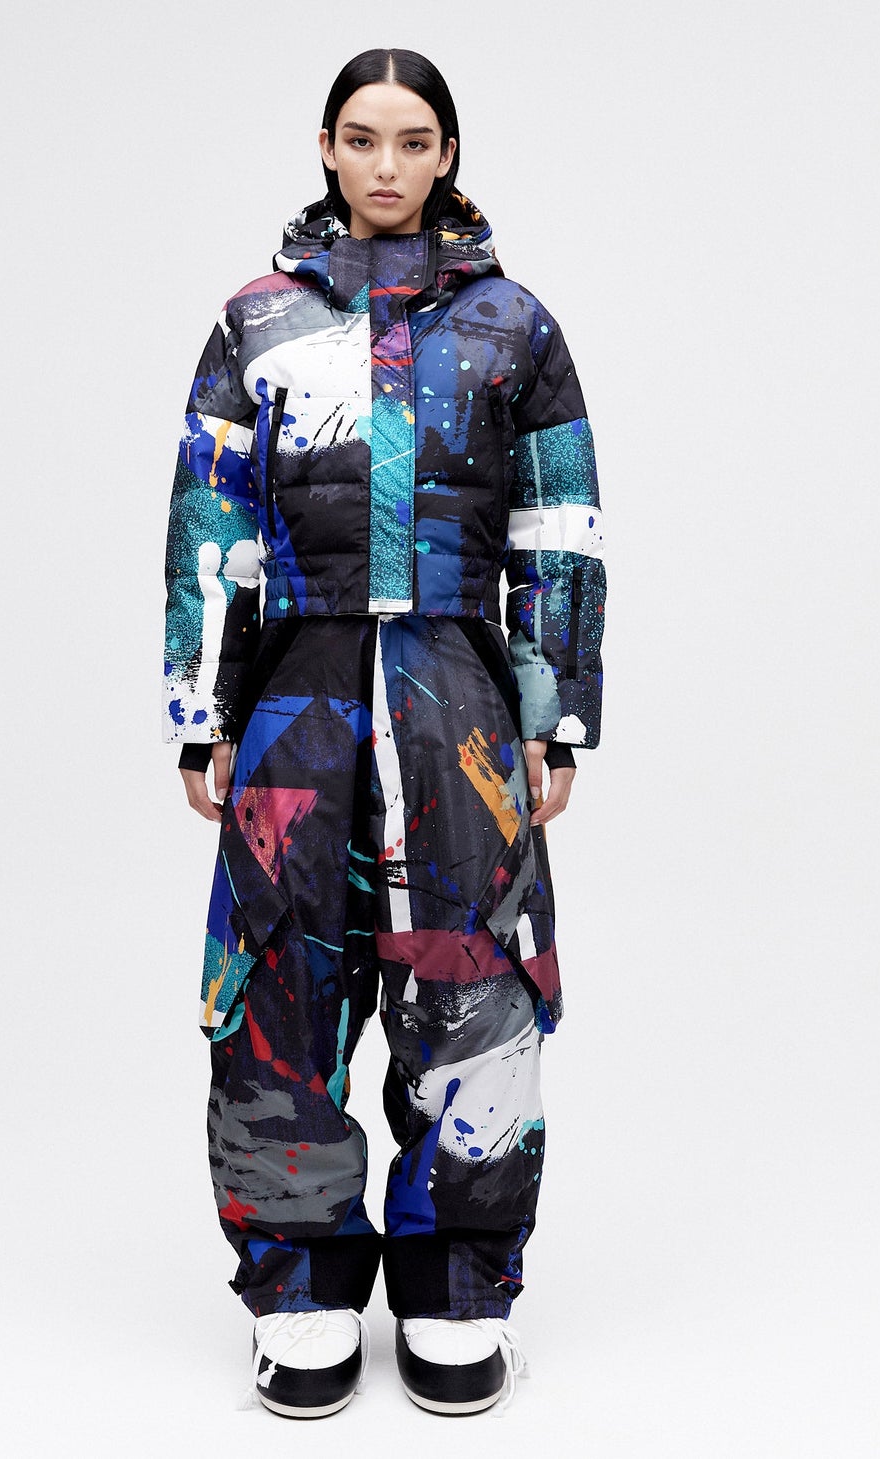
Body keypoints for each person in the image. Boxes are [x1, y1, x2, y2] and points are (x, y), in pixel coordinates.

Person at [159, 47, 605, 1419]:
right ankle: (295, 1286)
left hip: (457, 689)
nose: (388, 166)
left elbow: (558, 531)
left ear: (447, 154)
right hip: (296, 691)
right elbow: (211, 521)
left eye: (414, 141)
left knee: (474, 978)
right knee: (281, 976)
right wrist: (202, 713)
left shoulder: (515, 326)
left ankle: (458, 1285)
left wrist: (554, 720)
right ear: (326, 147)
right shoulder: (256, 323)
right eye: (363, 139)